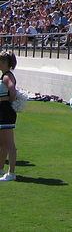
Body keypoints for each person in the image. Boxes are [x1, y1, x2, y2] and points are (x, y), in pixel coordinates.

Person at [0, 52, 18, 181]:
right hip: (3, 110)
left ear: (5, 63)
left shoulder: (7, 76)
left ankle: (11, 173)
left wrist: (8, 101)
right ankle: (0, 169)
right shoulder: (4, 76)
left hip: (5, 111)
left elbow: (12, 90)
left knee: (9, 143)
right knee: (2, 143)